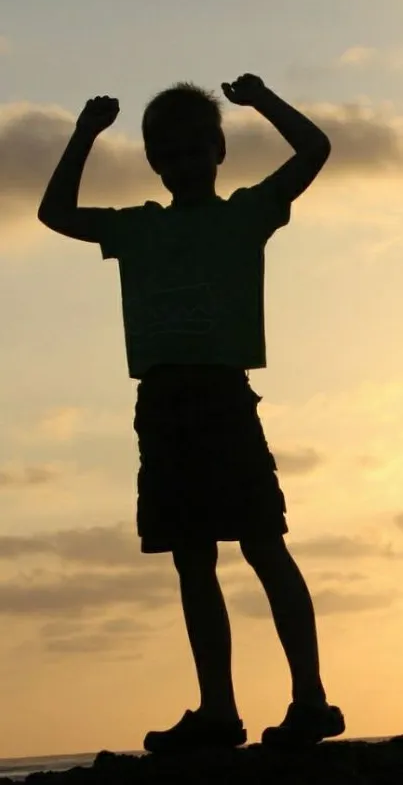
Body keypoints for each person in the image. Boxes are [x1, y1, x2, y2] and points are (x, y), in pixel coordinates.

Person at [37, 73, 345, 752]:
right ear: (153, 162)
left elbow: (314, 148)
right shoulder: (138, 228)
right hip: (164, 403)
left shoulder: (244, 213)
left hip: (223, 397)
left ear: (217, 152)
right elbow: (54, 213)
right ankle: (217, 711)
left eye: (194, 151)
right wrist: (84, 134)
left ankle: (310, 699)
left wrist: (260, 99)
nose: (182, 165)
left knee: (263, 544)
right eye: (168, 155)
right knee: (191, 558)